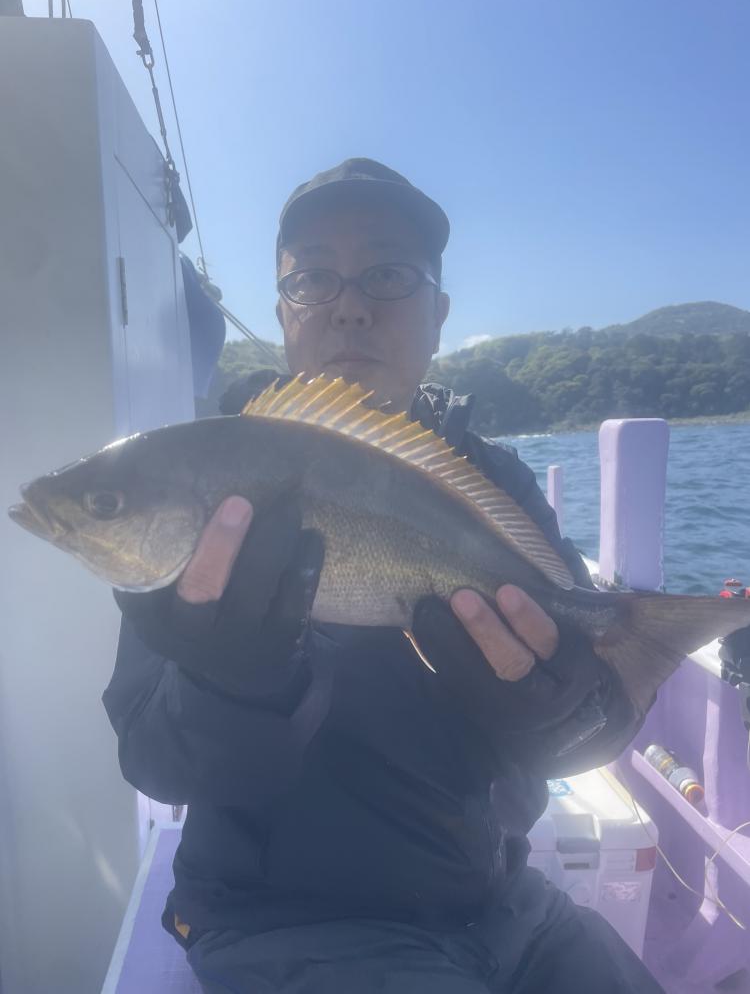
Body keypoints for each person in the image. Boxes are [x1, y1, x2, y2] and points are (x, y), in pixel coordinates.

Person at [103, 158, 664, 993]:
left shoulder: (495, 484)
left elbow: (592, 737)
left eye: (390, 274)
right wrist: (229, 686)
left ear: (439, 315)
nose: (351, 306)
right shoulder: (209, 483)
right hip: (285, 926)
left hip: (507, 905)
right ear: (283, 313)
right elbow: (156, 761)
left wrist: (551, 706)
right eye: (312, 278)